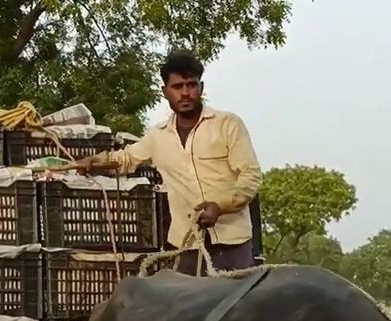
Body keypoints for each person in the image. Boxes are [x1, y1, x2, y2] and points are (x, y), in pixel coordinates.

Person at [81, 49, 263, 274]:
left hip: (233, 244)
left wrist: (221, 206)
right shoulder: (157, 136)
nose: (185, 93)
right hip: (186, 246)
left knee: (237, 308)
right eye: (177, 87)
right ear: (165, 92)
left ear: (201, 88)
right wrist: (95, 162)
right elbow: (125, 158)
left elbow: (251, 176)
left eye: (191, 85)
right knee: (188, 308)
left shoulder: (228, 125)